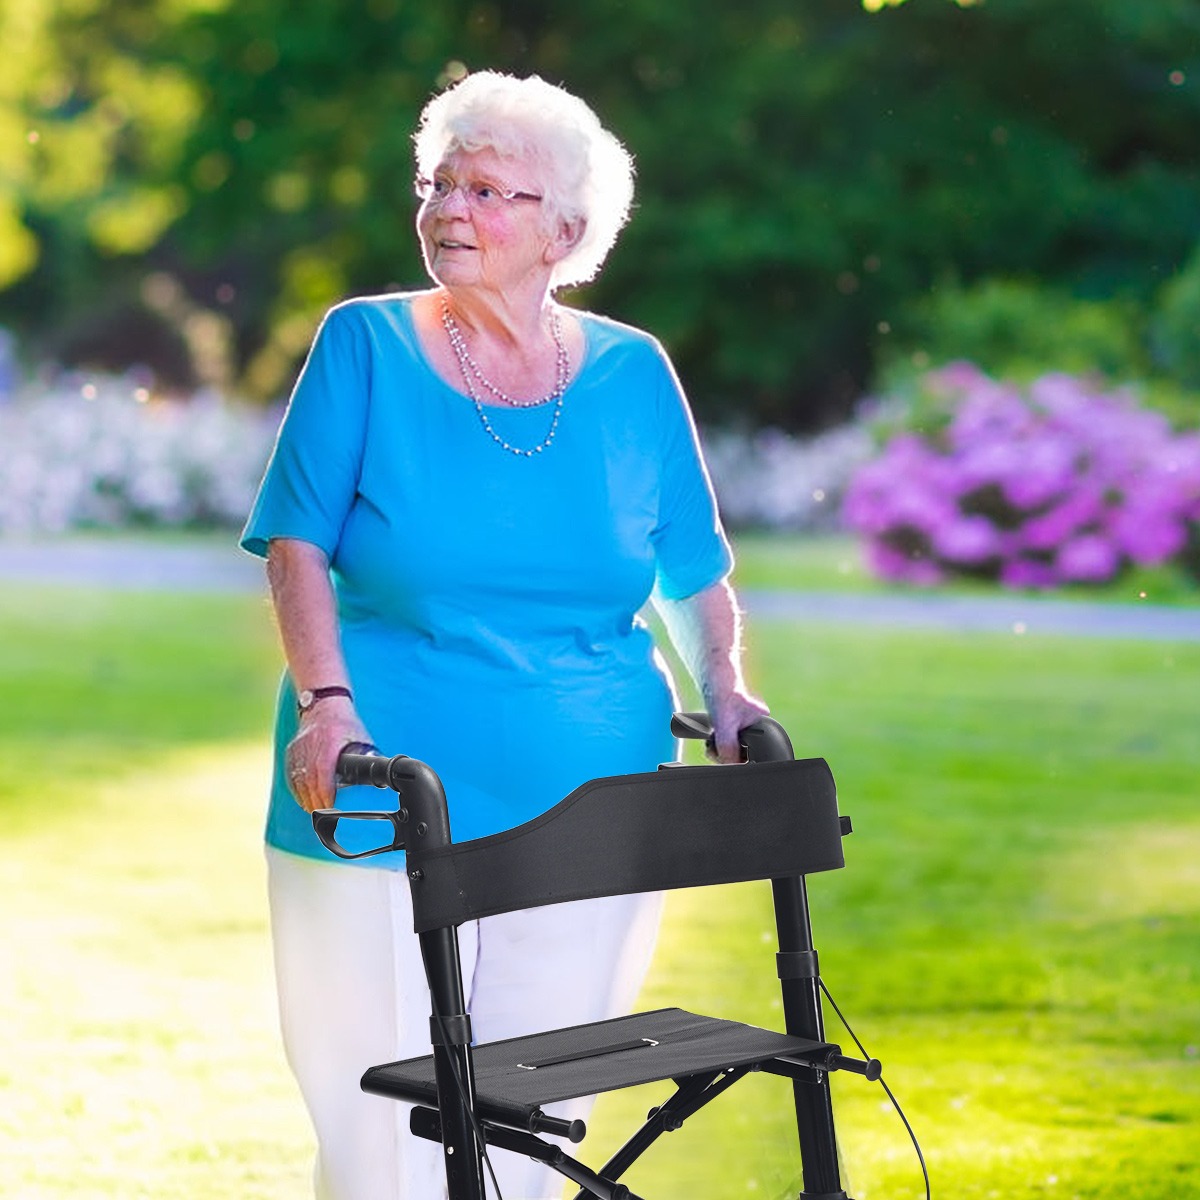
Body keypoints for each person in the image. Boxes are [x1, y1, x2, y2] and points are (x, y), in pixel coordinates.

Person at [241, 70, 767, 1200]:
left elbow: (691, 573)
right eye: (438, 183)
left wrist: (726, 686)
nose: (447, 210)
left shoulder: (631, 372)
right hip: (382, 789)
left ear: (564, 231)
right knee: (381, 1126)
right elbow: (298, 547)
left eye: (486, 189)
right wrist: (328, 707)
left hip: (593, 800)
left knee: (536, 1126)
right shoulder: (364, 348)